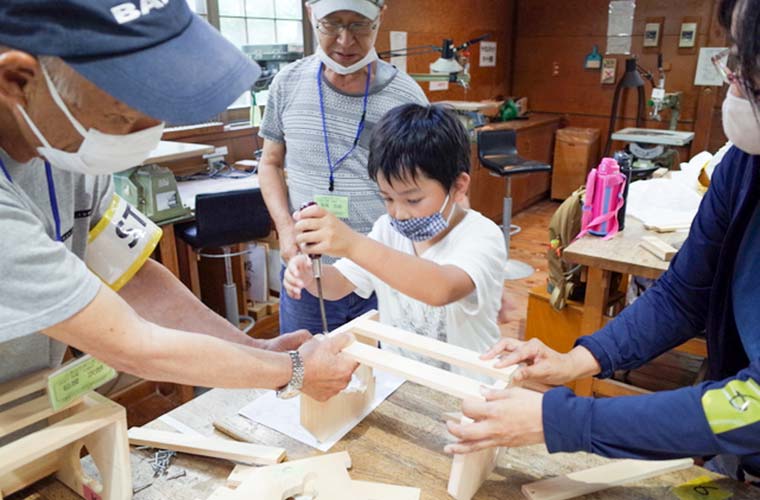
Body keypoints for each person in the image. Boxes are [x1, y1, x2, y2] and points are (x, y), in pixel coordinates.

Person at [446, 0, 760, 485]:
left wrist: (561, 421)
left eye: (744, 68)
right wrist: (577, 359)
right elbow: (685, 294)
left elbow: (754, 406)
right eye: (731, 59)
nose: (728, 81)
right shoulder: (744, 163)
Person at [0, 0, 359, 402]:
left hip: (26, 405)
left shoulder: (64, 145)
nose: (146, 135)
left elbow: (130, 275)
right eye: (122, 118)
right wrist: (292, 371)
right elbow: (133, 344)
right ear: (16, 80)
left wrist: (255, 350)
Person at [284, 104, 506, 375]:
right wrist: (310, 277)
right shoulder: (387, 230)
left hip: (466, 390)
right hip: (398, 382)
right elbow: (340, 284)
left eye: (413, 199)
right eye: (387, 198)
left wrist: (351, 243)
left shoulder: (482, 236)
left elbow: (441, 289)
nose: (398, 213)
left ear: (458, 187)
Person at [257, 0, 429, 336]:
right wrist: (285, 230)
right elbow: (270, 163)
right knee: (307, 369)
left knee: (385, 378)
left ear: (380, 17)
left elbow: (431, 187)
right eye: (332, 24)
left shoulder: (406, 96)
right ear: (311, 16)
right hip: (309, 270)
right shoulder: (287, 84)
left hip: (382, 272)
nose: (345, 41)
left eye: (359, 25)